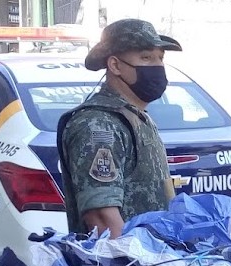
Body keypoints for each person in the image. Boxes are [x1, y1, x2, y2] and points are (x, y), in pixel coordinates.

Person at [57, 19, 182, 237]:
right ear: (115, 65)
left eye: (160, 58)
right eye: (145, 57)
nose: (157, 66)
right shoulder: (98, 125)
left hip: (159, 262)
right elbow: (102, 219)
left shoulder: (136, 117)